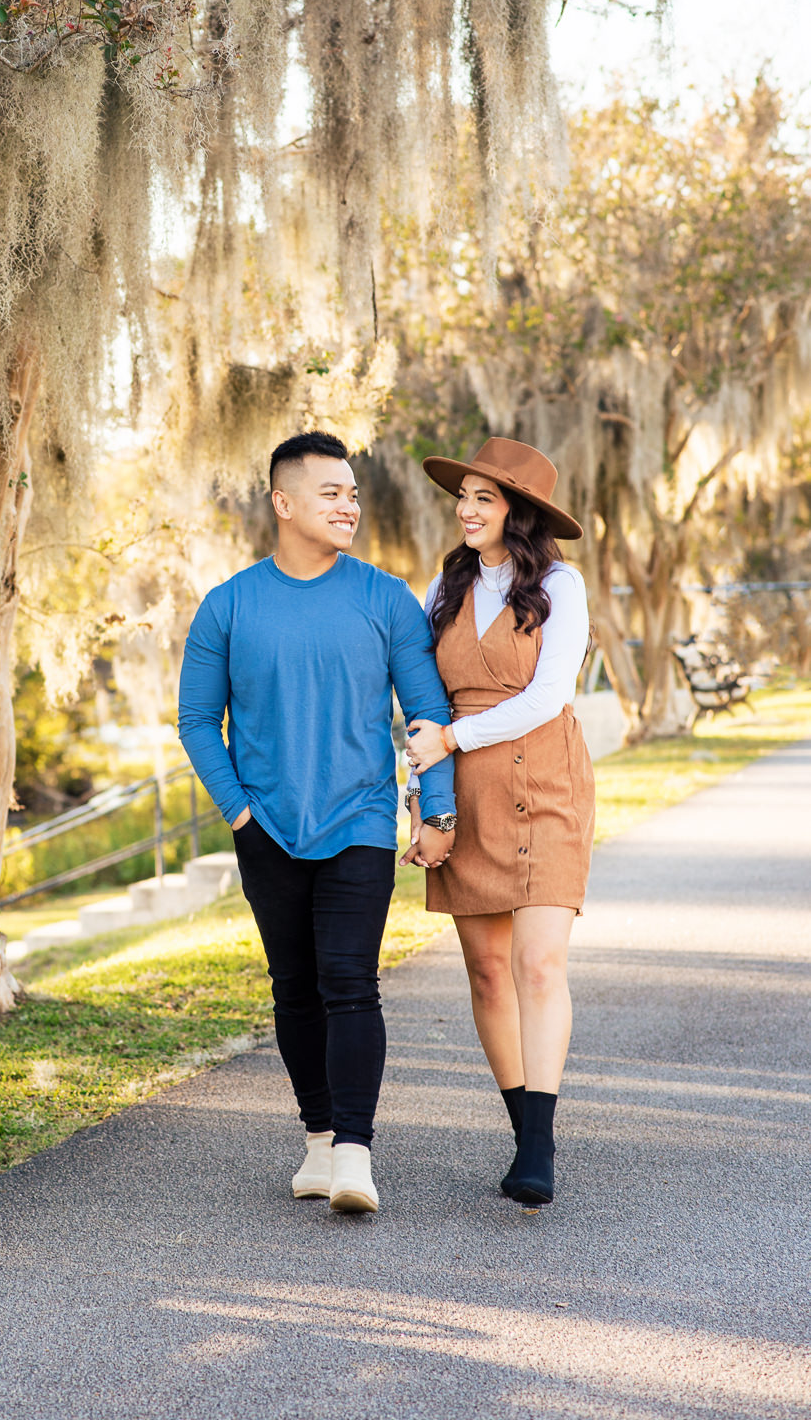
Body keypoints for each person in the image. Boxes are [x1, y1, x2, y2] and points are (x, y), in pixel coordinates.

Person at [178, 431, 456, 1215]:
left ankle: (357, 1157)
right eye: (331, 492)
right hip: (265, 826)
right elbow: (198, 720)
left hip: (361, 821)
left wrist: (437, 809)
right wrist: (238, 810)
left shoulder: (385, 599)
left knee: (348, 983)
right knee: (293, 988)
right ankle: (317, 1143)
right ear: (284, 502)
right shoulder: (229, 605)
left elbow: (428, 716)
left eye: (354, 493)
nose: (349, 505)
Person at [403, 436, 594, 1207]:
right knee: (486, 971)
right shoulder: (441, 589)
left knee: (539, 965)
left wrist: (454, 735)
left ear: (519, 510)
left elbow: (549, 695)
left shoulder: (559, 584)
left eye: (485, 497)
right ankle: (523, 1133)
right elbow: (418, 704)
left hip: (546, 780)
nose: (467, 509)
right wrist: (426, 803)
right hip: (467, 795)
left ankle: (540, 1148)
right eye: (463, 497)